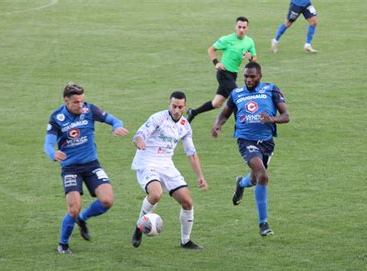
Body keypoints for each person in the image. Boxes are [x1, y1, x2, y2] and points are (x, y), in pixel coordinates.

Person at [44, 83, 129, 254]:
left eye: (82, 101)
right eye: (76, 102)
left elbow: (113, 119)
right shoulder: (57, 118)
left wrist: (117, 126)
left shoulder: (89, 110)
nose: (80, 105)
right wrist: (53, 154)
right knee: (74, 209)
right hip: (71, 169)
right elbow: (47, 143)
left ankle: (83, 218)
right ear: (66, 101)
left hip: (92, 165)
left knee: (107, 201)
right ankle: (63, 244)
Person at [211, 62, 289, 236]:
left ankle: (241, 183)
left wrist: (271, 119)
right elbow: (225, 113)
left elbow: (286, 116)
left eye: (252, 76)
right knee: (262, 175)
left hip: (267, 143)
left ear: (260, 76)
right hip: (246, 140)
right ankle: (263, 224)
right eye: (246, 76)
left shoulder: (271, 90)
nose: (248, 79)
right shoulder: (237, 93)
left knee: (255, 179)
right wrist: (217, 125)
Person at [131, 91, 208, 249]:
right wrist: (139, 143)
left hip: (166, 165)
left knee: (187, 202)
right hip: (147, 161)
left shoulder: (185, 126)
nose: (176, 110)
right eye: (174, 106)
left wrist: (200, 176)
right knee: (156, 194)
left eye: (180, 107)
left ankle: (185, 241)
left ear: (184, 106)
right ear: (169, 104)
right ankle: (140, 227)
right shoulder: (157, 118)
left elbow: (191, 153)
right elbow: (138, 135)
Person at [187, 16, 257, 123]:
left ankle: (193, 112)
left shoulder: (249, 42)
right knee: (237, 97)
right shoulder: (227, 39)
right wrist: (217, 63)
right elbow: (211, 49)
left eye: (244, 27)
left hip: (233, 75)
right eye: (239, 27)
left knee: (216, 103)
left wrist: (250, 58)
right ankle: (240, 127)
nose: (241, 30)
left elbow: (254, 60)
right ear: (235, 27)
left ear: (247, 28)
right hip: (223, 73)